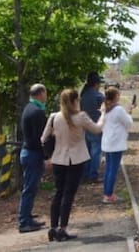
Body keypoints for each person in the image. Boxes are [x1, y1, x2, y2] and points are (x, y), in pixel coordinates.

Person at [41, 88, 104, 242]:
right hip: (76, 159)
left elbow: (43, 138)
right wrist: (103, 114)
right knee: (68, 195)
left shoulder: (54, 117)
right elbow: (97, 129)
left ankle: (53, 228)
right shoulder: (80, 117)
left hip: (58, 159)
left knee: (58, 193)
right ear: (76, 100)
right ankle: (63, 229)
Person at [17, 84, 48, 233]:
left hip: (28, 152)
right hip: (33, 154)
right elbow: (39, 138)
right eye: (45, 93)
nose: (46, 96)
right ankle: (24, 222)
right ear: (40, 93)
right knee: (29, 188)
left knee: (31, 187)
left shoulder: (29, 107)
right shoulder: (37, 112)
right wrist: (46, 156)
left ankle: (27, 217)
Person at [100, 86, 135, 203]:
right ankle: (108, 195)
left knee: (108, 169)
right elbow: (128, 123)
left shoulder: (106, 107)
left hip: (107, 142)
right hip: (116, 143)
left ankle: (106, 192)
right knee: (113, 170)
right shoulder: (118, 109)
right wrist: (129, 112)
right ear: (116, 96)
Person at [79, 72, 105, 184]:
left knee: (87, 152)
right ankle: (93, 175)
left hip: (84, 128)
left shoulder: (83, 95)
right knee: (95, 152)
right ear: (96, 84)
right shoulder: (99, 96)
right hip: (96, 127)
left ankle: (85, 174)